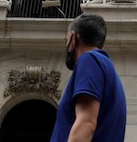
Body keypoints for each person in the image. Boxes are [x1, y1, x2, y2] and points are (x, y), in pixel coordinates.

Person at [50, 13, 127, 142]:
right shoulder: (106, 68)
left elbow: (86, 123)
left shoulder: (89, 60)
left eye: (66, 40)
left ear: (74, 38)